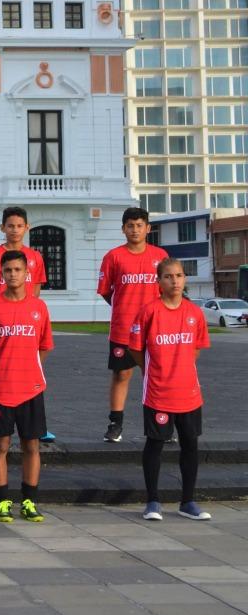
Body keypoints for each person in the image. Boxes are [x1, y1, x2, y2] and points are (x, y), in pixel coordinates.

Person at [128, 258, 211, 522]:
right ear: (159, 282)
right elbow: (135, 348)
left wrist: (180, 369)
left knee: (190, 444)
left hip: (189, 393)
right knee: (155, 444)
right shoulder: (149, 312)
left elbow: (195, 350)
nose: (174, 281)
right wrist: (156, 370)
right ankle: (152, 501)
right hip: (158, 392)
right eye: (168, 276)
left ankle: (188, 502)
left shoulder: (195, 313)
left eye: (179, 275)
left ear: (185, 279)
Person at [0, 250, 52, 524]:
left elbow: (43, 346)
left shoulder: (39, 308)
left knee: (32, 445)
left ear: (27, 273)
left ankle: (29, 500)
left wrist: (29, 368)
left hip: (31, 388)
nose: (13, 275)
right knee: (0, 445)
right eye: (7, 271)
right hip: (0, 389)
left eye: (17, 270)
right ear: (1, 275)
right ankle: (2, 501)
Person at [0, 206, 55, 444]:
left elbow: (37, 290)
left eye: (19, 225)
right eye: (10, 226)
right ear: (3, 228)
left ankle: (37, 427)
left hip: (27, 321)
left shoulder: (35, 257)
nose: (15, 230)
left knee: (30, 376)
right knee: (1, 375)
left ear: (27, 228)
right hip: (1, 323)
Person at [98, 207, 168, 443]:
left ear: (148, 228)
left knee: (157, 375)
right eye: (130, 225)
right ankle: (115, 424)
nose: (135, 230)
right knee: (121, 374)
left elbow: (167, 290)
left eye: (139, 225)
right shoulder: (113, 257)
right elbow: (106, 291)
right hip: (123, 329)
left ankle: (162, 424)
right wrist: (123, 308)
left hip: (156, 328)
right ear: (123, 229)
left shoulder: (160, 256)